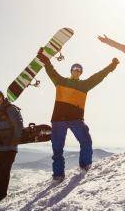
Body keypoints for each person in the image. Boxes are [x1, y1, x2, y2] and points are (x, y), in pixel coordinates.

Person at [38, 48, 118, 182]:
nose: (76, 71)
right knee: (57, 148)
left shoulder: (85, 85)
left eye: (79, 70)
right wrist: (45, 59)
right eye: (74, 68)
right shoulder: (60, 81)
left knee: (86, 141)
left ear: (81, 73)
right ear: (71, 71)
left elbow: (99, 76)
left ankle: (85, 165)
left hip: (76, 119)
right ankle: (58, 175)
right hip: (59, 120)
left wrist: (111, 66)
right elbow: (50, 70)